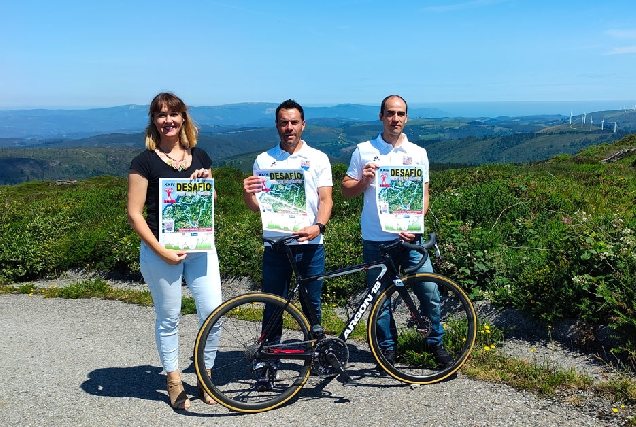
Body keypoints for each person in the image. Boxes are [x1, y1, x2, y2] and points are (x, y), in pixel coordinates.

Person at [341, 94, 453, 368]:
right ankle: (388, 350)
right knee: (380, 301)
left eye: (400, 114)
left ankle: (435, 343)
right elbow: (346, 189)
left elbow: (424, 196)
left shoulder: (418, 153)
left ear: (406, 118)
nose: (395, 119)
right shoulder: (363, 150)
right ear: (381, 117)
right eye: (390, 113)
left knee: (429, 291)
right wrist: (364, 180)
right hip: (376, 239)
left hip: (411, 239)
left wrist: (413, 224)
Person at [127, 92, 221, 410]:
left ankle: (205, 377)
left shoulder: (200, 156)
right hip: (160, 250)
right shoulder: (144, 162)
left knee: (213, 313)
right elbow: (135, 213)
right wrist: (160, 250)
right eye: (161, 115)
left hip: (199, 247)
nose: (168, 120)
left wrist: (208, 184)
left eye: (174, 114)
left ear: (184, 118)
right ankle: (174, 381)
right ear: (153, 121)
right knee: (169, 317)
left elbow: (210, 203)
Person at [243, 99, 333, 389]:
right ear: (277, 125)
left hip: (309, 243)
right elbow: (257, 207)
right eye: (284, 122)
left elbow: (325, 199)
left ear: (303, 124)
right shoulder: (263, 160)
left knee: (312, 304)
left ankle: (317, 353)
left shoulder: (319, 158)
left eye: (294, 122)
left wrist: (318, 225)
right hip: (276, 245)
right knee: (273, 305)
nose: (289, 128)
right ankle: (268, 360)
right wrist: (247, 193)